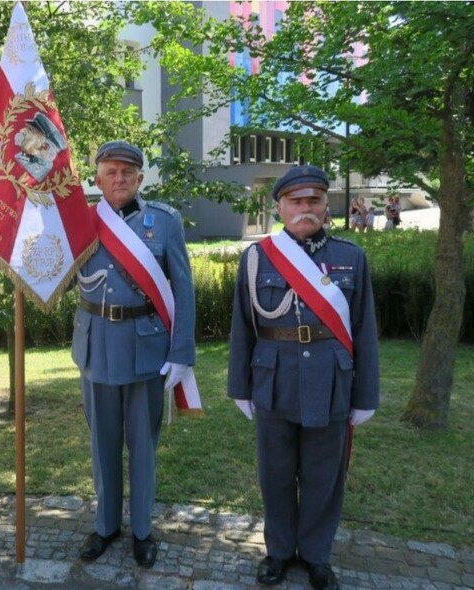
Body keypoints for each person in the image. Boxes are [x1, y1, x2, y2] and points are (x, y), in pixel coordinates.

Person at [227, 165, 379, 590]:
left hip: (331, 383)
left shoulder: (351, 257)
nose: (306, 208)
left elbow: (365, 329)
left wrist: (365, 395)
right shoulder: (257, 258)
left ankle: (316, 554)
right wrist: (240, 386)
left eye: (314, 200)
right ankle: (277, 552)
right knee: (275, 473)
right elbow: (242, 325)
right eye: (296, 201)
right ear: (280, 207)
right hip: (273, 381)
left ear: (325, 206)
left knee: (323, 475)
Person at [72, 140, 196, 568]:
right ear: (98, 179)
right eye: (111, 171)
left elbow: (182, 287)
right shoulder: (82, 222)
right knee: (102, 443)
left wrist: (181, 352)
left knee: (142, 444)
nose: (119, 178)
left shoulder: (163, 222)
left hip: (147, 348)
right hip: (97, 348)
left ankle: (142, 529)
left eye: (128, 172)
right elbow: (56, 274)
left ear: (140, 178)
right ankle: (106, 525)